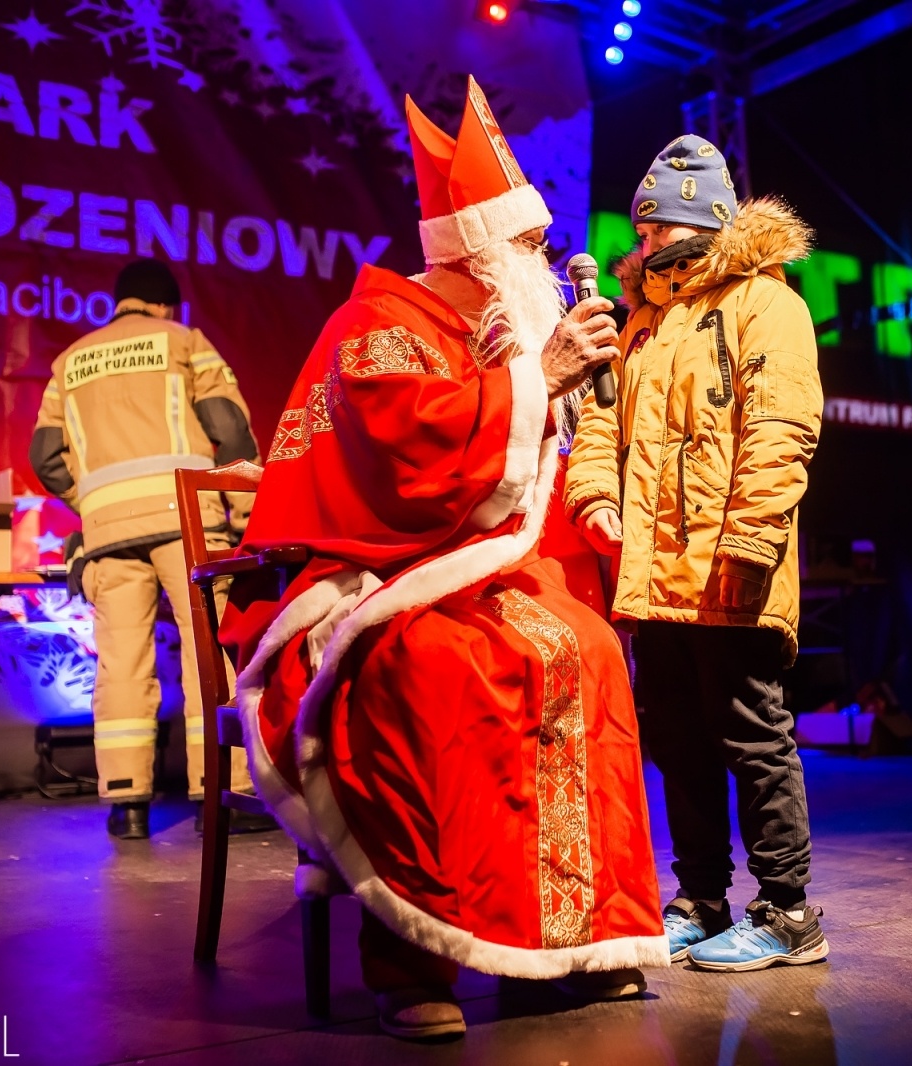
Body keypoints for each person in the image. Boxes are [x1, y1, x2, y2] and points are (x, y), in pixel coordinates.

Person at [222, 76, 667, 1042]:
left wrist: (564, 404)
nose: (546, 262)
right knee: (424, 672)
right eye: (529, 245)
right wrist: (536, 380)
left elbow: (518, 477)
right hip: (376, 571)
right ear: (480, 248)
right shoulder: (380, 323)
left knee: (583, 651)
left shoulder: (503, 326)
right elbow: (410, 464)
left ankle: (564, 946)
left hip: (485, 573)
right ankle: (411, 960)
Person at [564, 135, 827, 972]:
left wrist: (750, 540)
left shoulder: (766, 305)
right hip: (655, 576)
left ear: (692, 225)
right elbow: (602, 426)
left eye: (651, 230)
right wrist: (595, 498)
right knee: (678, 739)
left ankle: (789, 913)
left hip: (730, 569)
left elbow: (780, 430)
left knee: (753, 735)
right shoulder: (641, 319)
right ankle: (702, 900)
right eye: (638, 233)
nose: (638, 244)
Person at [31, 258, 262, 841]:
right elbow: (229, 428)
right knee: (207, 653)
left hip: (107, 533)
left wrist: (92, 499)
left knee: (121, 664)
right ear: (165, 306)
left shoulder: (69, 362)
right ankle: (221, 793)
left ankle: (127, 806)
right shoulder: (183, 341)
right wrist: (240, 511)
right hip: (185, 520)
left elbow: (44, 456)